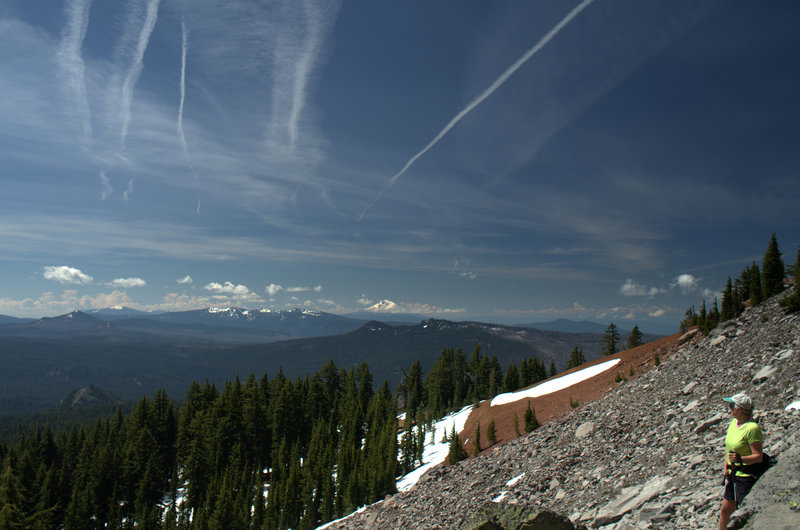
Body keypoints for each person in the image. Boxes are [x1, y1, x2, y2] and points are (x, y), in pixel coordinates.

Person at [718, 392, 763, 529]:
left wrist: (740, 459)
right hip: (732, 474)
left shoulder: (752, 429)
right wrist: (726, 464)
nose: (729, 408)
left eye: (731, 406)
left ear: (739, 409)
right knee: (725, 511)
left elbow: (758, 456)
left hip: (745, 477)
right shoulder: (733, 423)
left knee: (742, 513)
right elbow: (729, 448)